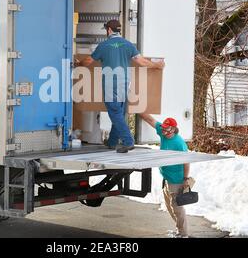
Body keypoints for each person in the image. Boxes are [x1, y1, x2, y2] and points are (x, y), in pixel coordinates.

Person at [76, 19, 164, 153]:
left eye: (106, 29)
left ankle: (128, 141)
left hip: (111, 86)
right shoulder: (128, 45)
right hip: (124, 85)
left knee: (115, 113)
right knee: (120, 113)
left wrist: (78, 64)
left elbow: (88, 61)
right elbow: (142, 62)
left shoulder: (104, 46)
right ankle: (112, 142)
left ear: (109, 30)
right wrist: (157, 66)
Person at [139, 114, 191, 238]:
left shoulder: (179, 143)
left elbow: (186, 162)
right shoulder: (163, 133)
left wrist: (185, 179)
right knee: (169, 206)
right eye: (163, 128)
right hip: (167, 178)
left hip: (176, 180)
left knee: (177, 207)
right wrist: (137, 109)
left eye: (167, 129)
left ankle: (183, 234)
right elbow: (150, 120)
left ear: (173, 129)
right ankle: (180, 229)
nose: (164, 131)